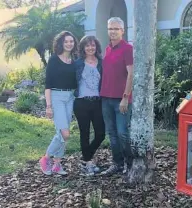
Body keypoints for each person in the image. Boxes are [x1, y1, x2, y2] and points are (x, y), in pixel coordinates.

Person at [39, 31, 78, 175]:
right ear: (61, 43)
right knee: (65, 133)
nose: (69, 44)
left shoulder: (74, 61)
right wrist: (49, 106)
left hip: (70, 97)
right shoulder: (54, 60)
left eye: (71, 41)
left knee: (61, 132)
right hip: (56, 96)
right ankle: (46, 158)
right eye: (66, 41)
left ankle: (57, 165)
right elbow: (48, 85)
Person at [100, 17, 134, 176]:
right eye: (110, 29)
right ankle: (117, 163)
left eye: (116, 29)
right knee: (112, 133)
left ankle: (130, 163)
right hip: (106, 98)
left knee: (122, 133)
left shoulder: (127, 48)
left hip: (121, 100)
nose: (112, 32)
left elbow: (131, 74)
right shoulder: (107, 49)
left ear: (122, 30)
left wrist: (126, 97)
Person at [73, 36, 105, 176]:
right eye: (87, 46)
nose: (90, 48)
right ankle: (88, 163)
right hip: (81, 102)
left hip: (97, 102)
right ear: (83, 48)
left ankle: (86, 159)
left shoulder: (102, 63)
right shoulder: (77, 64)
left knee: (101, 134)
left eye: (92, 45)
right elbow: (68, 80)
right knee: (84, 133)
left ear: (96, 47)